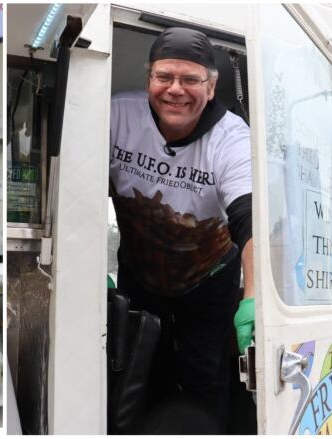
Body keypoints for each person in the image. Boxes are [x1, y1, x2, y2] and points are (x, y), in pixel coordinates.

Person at [109, 27, 254, 432]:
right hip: (139, 273)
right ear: (148, 80)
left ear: (211, 87)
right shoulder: (117, 116)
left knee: (204, 383)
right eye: (164, 77)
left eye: (190, 79)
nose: (176, 90)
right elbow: (78, 190)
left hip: (207, 281)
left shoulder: (232, 139)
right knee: (132, 378)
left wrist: (256, 300)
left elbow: (249, 219)